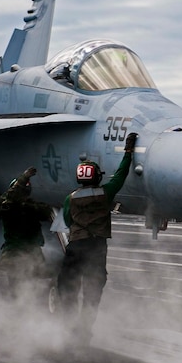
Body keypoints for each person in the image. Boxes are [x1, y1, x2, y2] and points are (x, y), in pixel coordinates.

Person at [56, 132, 138, 339]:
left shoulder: (71, 198)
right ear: (97, 176)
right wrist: (128, 151)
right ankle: (84, 329)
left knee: (67, 286)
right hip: (97, 247)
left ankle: (68, 326)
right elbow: (120, 174)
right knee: (93, 290)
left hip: (76, 246)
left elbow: (67, 221)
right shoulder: (105, 193)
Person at [0, 166, 54, 300]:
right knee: (20, 291)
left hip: (25, 255)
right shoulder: (9, 207)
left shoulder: (21, 208)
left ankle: (24, 315)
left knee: (26, 292)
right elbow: (11, 198)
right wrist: (24, 179)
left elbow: (46, 211)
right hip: (20, 255)